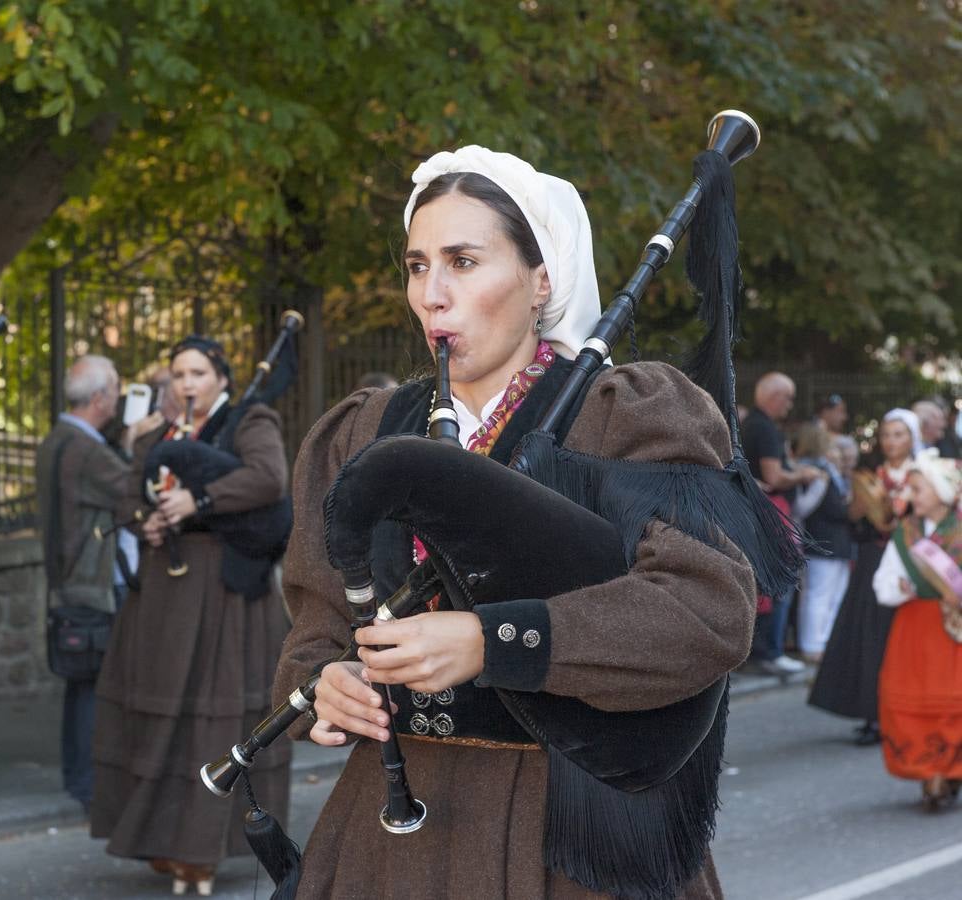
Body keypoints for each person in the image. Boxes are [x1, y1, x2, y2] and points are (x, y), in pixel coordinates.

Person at [272, 146, 756, 898]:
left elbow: (705, 613)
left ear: (540, 283)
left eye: (463, 262)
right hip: (389, 843)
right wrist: (323, 682)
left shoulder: (625, 416)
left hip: (573, 838)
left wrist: (493, 641)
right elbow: (315, 626)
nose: (432, 294)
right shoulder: (361, 431)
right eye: (416, 265)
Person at [91, 336, 293, 896]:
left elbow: (269, 478)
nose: (186, 384)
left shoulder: (249, 420)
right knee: (162, 721)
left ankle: (202, 852)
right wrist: (146, 522)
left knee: (214, 721)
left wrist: (199, 504)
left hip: (222, 593)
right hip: (160, 597)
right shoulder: (157, 435)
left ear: (220, 378)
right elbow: (130, 498)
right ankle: (161, 840)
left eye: (198, 372)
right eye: (179, 373)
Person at [36, 355, 134, 814]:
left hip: (65, 580)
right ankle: (89, 784)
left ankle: (79, 778)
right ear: (98, 398)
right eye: (115, 389)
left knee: (80, 686)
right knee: (95, 687)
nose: (118, 398)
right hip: (90, 583)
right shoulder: (87, 450)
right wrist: (137, 443)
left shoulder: (55, 440)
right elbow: (133, 492)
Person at [810, 409, 918, 744]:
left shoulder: (924, 473)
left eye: (898, 434)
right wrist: (857, 513)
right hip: (875, 561)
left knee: (906, 638)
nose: (890, 441)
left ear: (912, 438)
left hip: (912, 561)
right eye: (886, 434)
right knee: (870, 636)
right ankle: (874, 714)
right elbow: (858, 525)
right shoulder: (872, 476)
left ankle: (908, 713)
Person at [872, 449, 962, 810]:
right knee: (910, 701)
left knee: (951, 701)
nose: (912, 497)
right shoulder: (905, 535)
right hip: (914, 627)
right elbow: (883, 583)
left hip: (953, 631)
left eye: (919, 489)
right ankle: (931, 772)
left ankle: (945, 771)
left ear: (941, 493)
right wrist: (899, 589)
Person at [741, 372, 825, 675]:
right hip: (772, 517)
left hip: (761, 515)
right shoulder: (763, 428)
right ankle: (771, 652)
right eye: (788, 397)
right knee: (780, 581)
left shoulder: (751, 425)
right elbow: (774, 477)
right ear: (774, 396)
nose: (790, 405)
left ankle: (762, 651)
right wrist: (803, 475)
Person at [790, 424, 853, 663]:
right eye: (832, 448)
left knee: (832, 596)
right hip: (822, 543)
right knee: (818, 595)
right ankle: (812, 644)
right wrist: (849, 509)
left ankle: (824, 641)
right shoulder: (816, 472)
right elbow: (825, 508)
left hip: (835, 544)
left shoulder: (826, 472)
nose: (838, 454)